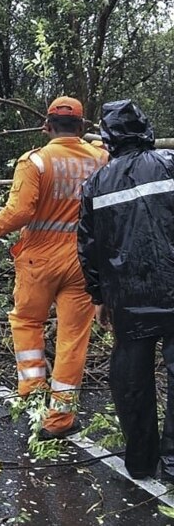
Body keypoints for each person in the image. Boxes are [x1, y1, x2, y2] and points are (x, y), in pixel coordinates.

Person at [0, 97, 109, 439]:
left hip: (38, 260)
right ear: (83, 127)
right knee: (73, 339)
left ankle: (32, 393)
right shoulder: (101, 159)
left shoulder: (36, 162)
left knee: (27, 322)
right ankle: (59, 420)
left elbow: (19, 213)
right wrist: (97, 142)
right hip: (84, 262)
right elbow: (109, 152)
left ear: (46, 125)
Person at [78, 99, 174, 481]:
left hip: (129, 298)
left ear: (108, 140)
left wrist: (99, 298)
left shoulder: (97, 183)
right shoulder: (170, 164)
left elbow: (88, 246)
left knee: (131, 379)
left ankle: (139, 461)